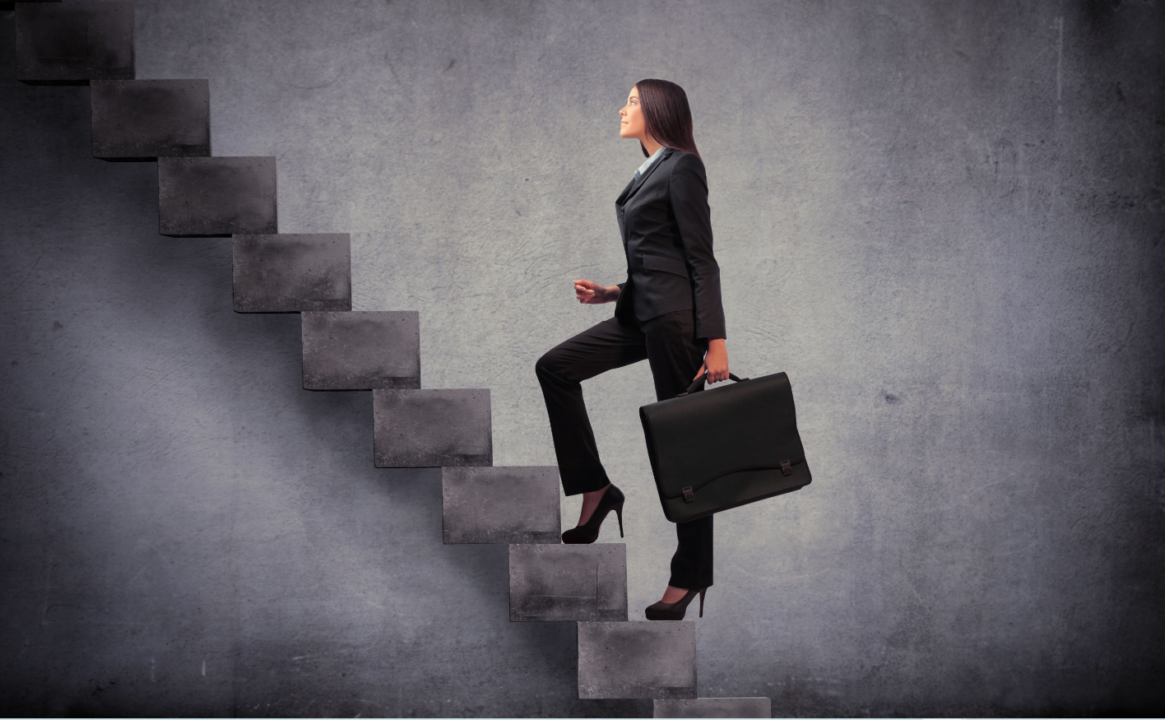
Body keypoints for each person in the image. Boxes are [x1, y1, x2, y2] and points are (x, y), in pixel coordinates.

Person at [535, 78, 728, 621]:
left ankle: (690, 575)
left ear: (659, 112)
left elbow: (700, 261)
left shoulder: (683, 167)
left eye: (634, 102)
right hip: (641, 313)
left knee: (680, 446)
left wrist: (715, 341)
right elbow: (656, 258)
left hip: (674, 325)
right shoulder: (648, 172)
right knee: (554, 368)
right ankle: (596, 488)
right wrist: (615, 292)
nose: (623, 109)